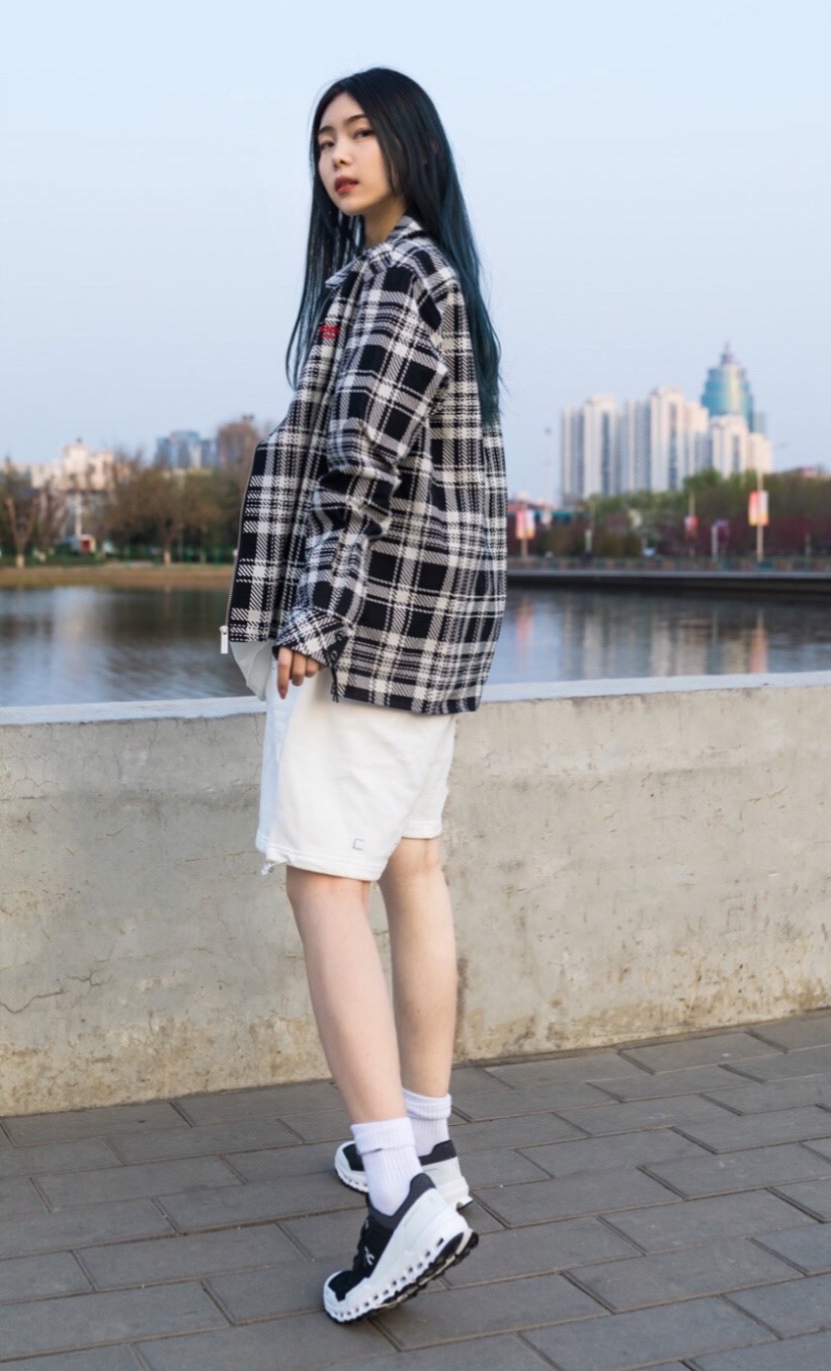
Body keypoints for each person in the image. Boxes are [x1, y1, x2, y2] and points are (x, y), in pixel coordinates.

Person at [224, 67, 507, 1322]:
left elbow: (359, 466)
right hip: (430, 636)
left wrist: (313, 618)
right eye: (321, 138)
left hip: (367, 629)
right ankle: (426, 1141)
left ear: (408, 145)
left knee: (323, 882)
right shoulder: (434, 274)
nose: (336, 154)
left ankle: (398, 1196)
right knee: (411, 867)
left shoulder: (391, 278)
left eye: (359, 133)